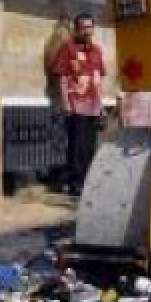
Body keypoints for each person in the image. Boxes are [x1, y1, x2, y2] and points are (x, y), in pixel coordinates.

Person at [51, 12, 107, 196]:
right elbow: (62, 78)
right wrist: (66, 103)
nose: (87, 31)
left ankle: (87, 181)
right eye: (83, 27)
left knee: (89, 147)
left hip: (94, 106)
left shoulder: (97, 50)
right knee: (76, 146)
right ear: (76, 29)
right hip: (76, 105)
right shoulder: (68, 49)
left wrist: (102, 106)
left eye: (90, 27)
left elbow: (98, 79)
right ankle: (75, 184)